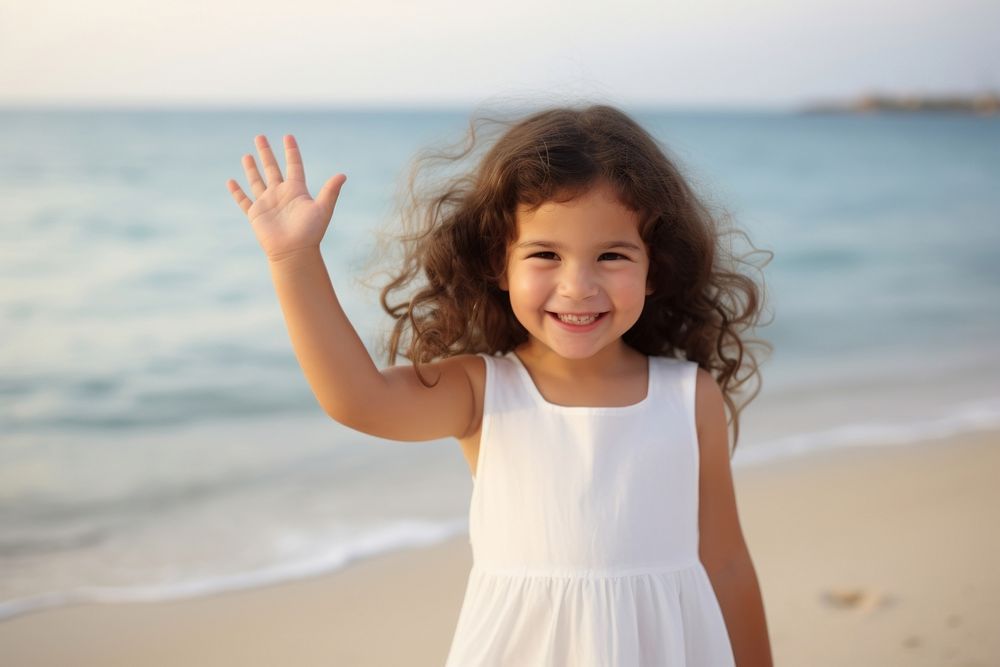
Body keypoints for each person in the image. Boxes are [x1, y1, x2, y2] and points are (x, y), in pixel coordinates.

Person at [226, 104, 774, 666]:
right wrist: (294, 259)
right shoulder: (482, 390)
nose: (578, 286)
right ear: (498, 263)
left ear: (654, 267)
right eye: (545, 254)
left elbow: (726, 562)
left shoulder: (688, 396)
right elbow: (356, 400)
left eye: (611, 255)